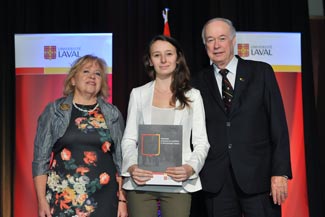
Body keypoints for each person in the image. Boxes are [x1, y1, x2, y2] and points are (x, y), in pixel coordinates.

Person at [191, 17, 292, 217]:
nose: (216, 45)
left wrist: (280, 172)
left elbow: (278, 126)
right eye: (210, 40)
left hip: (259, 179)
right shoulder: (197, 82)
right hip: (217, 183)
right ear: (205, 45)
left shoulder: (261, 72)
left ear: (233, 40)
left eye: (222, 38)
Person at [121, 35, 210, 217]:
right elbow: (129, 139)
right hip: (142, 183)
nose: (163, 60)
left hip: (178, 183)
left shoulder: (193, 96)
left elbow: (202, 142)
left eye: (169, 54)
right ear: (150, 61)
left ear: (177, 59)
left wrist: (190, 168)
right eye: (157, 55)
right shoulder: (138, 94)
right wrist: (132, 167)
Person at [32, 55, 128, 217]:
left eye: (97, 74)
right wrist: (42, 201)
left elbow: (122, 161)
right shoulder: (54, 111)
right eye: (86, 71)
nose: (92, 76)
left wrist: (123, 201)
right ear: (73, 80)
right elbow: (40, 159)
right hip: (63, 198)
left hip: (104, 199)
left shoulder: (112, 113)